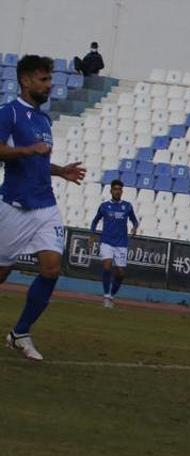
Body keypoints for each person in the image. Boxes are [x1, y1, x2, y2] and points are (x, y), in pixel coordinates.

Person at [0, 55, 87, 361]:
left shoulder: (43, 119)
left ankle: (20, 332)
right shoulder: (8, 113)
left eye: (50, 79)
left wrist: (60, 170)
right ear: (25, 80)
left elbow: (38, 160)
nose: (49, 85)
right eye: (43, 79)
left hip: (45, 206)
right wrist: (26, 150)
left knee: (51, 269)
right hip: (15, 206)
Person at [90, 179, 139, 308]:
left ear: (122, 191)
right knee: (107, 266)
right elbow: (95, 221)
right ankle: (106, 296)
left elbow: (135, 220)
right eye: (115, 189)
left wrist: (134, 227)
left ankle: (111, 296)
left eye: (119, 189)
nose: (117, 191)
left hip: (121, 243)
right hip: (107, 241)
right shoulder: (104, 206)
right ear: (111, 190)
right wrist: (92, 235)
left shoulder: (127, 206)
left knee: (121, 273)